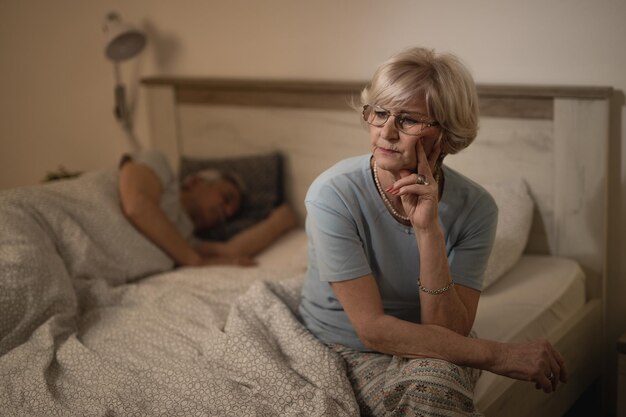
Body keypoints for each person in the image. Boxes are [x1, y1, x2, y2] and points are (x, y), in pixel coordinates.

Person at [298, 47, 566, 416]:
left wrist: (428, 230)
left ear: (447, 134)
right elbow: (372, 330)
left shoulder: (477, 208)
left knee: (437, 386)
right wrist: (499, 354)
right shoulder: (333, 194)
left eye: (408, 120)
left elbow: (448, 330)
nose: (386, 132)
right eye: (379, 113)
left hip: (435, 342)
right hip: (339, 344)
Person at [118, 150, 296, 266]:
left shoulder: (185, 239)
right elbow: (137, 206)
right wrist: (192, 259)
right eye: (227, 198)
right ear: (196, 181)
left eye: (228, 218)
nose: (226, 212)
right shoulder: (158, 167)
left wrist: (278, 222)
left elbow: (231, 251)